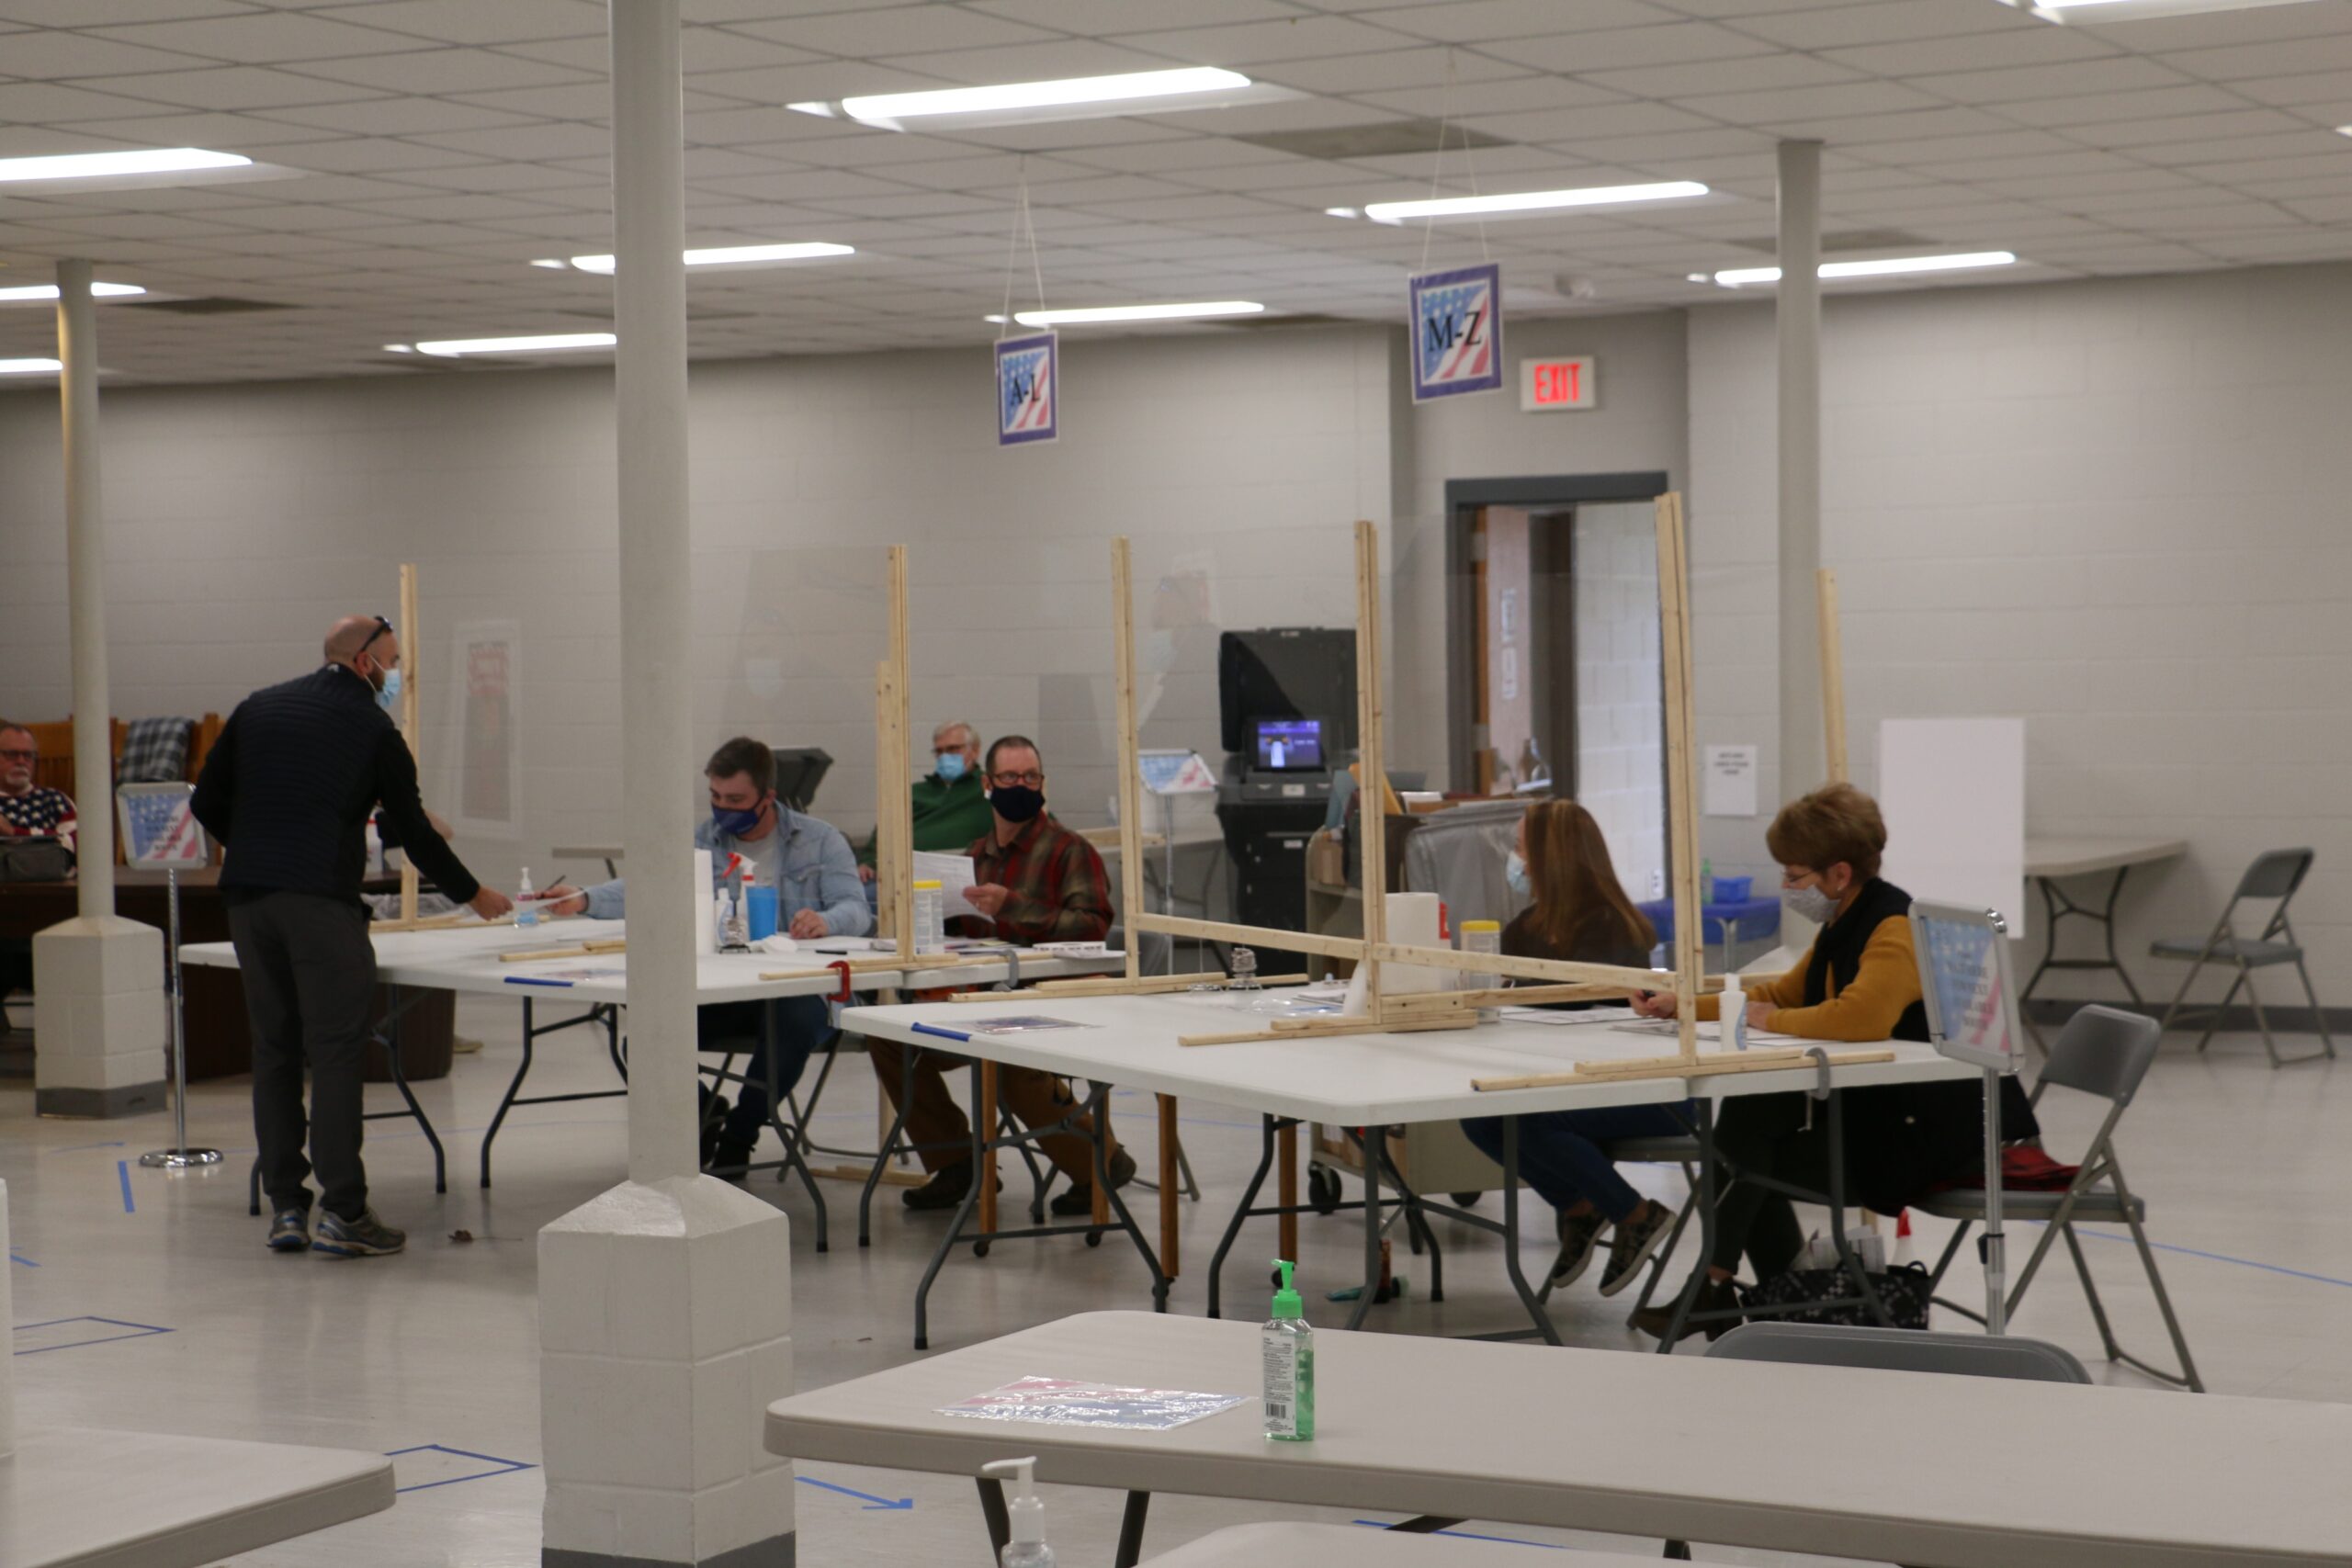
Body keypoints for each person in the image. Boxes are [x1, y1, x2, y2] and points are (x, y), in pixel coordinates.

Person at [1626, 783, 2040, 1339]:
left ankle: (1725, 1286)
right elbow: (1786, 994)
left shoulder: (1893, 927)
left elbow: (1857, 1018)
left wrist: (1765, 1022)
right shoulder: (1841, 923)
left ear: (1839, 874)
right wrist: (1684, 1007)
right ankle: (1763, 1302)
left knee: (1745, 1146)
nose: (1787, 887)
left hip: (1928, 1138)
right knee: (1749, 1133)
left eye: (1795, 876)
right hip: (1885, 1115)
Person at [192, 615, 513, 1259]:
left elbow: (205, 802)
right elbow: (417, 832)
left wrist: (260, 843)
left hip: (248, 900)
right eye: (392, 663)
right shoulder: (373, 728)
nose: (396, 677)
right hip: (320, 904)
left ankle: (287, 1207)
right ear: (365, 663)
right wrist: (476, 895)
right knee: (336, 1052)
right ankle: (344, 1211)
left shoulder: (256, 709)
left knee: (276, 1051)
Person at [537, 736, 870, 1172]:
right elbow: (648, 888)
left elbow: (856, 908)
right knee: (644, 1039)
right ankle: (704, 1109)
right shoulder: (703, 841)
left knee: (792, 1021)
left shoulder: (821, 840)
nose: (722, 807)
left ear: (768, 796)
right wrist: (583, 899)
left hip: (798, 992)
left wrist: (826, 921)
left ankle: (741, 1133)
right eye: (715, 796)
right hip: (727, 990)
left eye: (736, 798)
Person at [861, 735, 1133, 1214]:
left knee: (1007, 1060)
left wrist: (1015, 907)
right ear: (988, 784)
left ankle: (1101, 1163)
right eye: (1010, 778)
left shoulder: (1070, 850)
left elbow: (1093, 926)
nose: (1021, 785)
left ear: (1043, 783)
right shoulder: (977, 854)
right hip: (981, 995)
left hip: (1051, 999)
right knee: (890, 1037)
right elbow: (969, 930)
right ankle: (956, 1163)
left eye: (1031, 777)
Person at [1459, 800, 1683, 1295]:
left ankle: (1635, 1213)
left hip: (1637, 1086)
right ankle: (1580, 1208)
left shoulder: (1613, 929)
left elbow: (1579, 1015)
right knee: (1476, 1117)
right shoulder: (1525, 927)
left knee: (1529, 1116)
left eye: (1521, 848)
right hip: (1572, 1079)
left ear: (1550, 856)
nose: (1515, 859)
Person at [855, 720, 993, 885]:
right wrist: (867, 863)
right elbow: (883, 836)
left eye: (953, 749)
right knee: (859, 896)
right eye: (939, 751)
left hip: (965, 875)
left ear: (975, 750)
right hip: (904, 878)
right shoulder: (913, 792)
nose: (945, 756)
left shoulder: (987, 788)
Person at [0, 719, 74, 1008]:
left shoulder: (56, 801)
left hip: (51, 914)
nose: (21, 761)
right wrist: (42, 845)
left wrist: (12, 835)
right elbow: (57, 846)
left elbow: (74, 846)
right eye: (11, 755)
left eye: (28, 755)